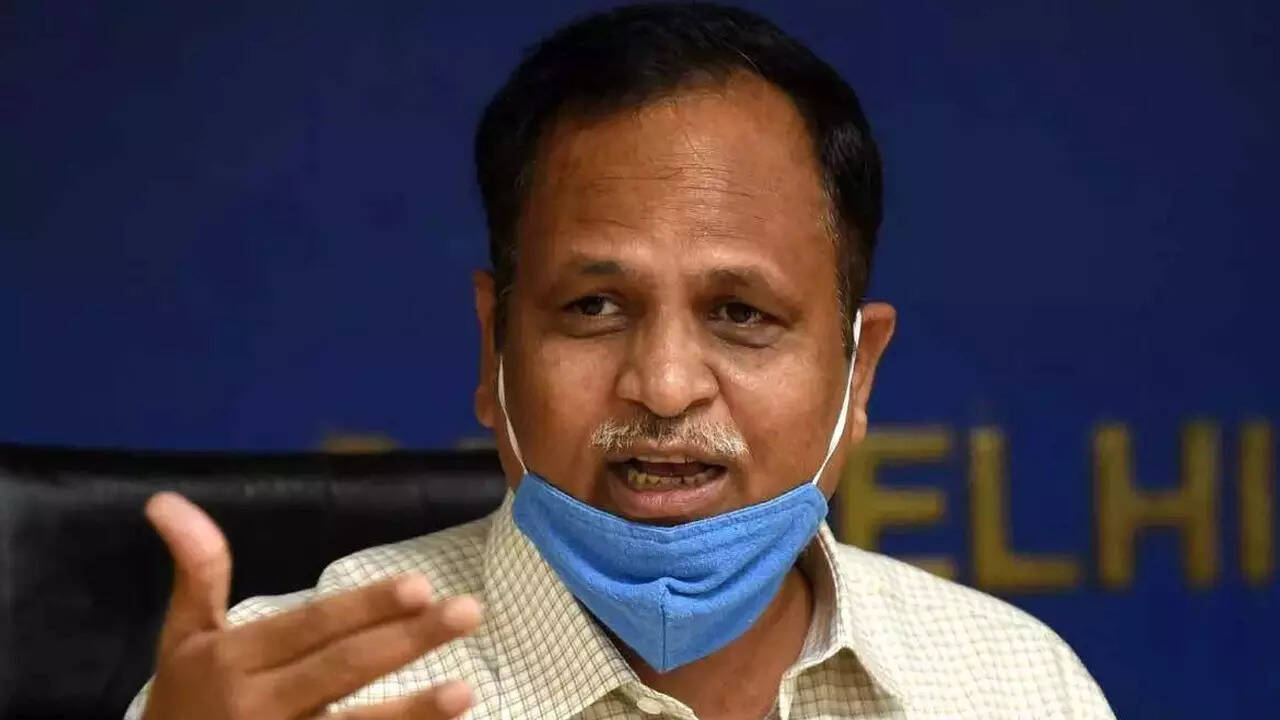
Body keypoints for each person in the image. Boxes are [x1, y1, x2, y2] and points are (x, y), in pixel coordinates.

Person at [126, 3, 1114, 719]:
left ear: (858, 374)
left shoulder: (1015, 688)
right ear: (494, 346)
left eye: (740, 313)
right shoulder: (283, 697)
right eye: (593, 308)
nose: (666, 386)